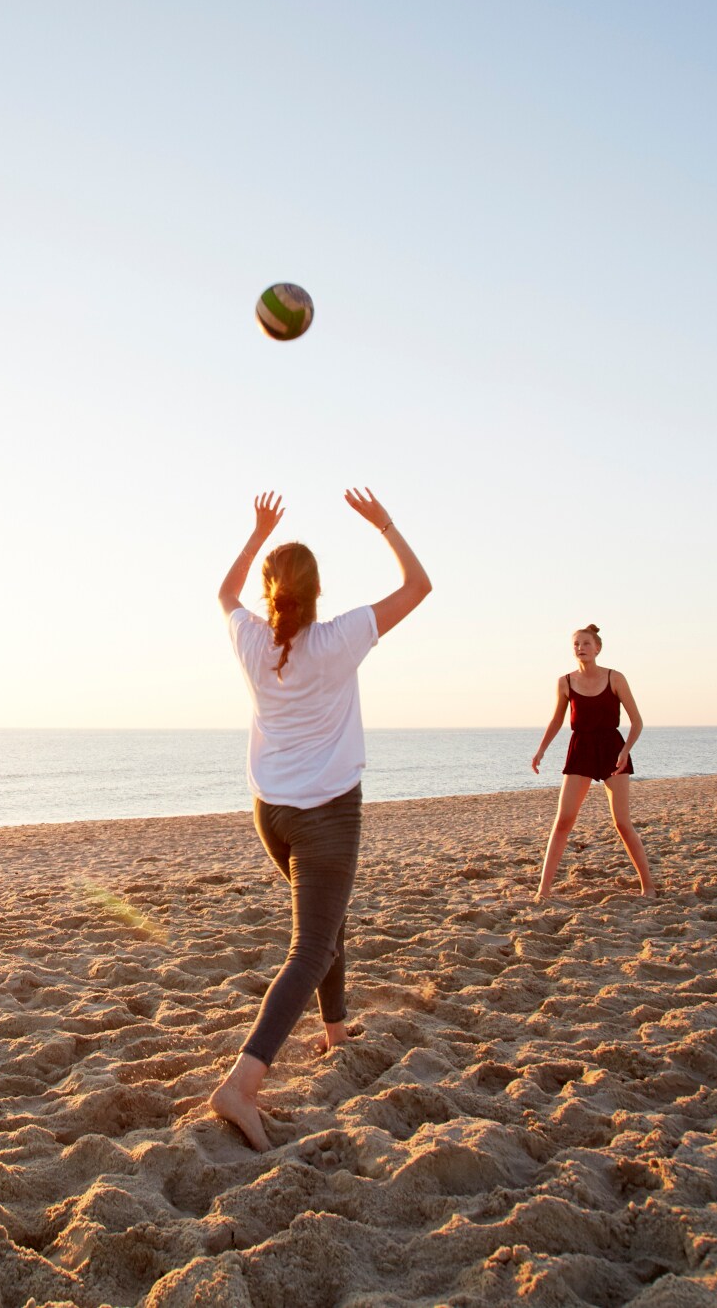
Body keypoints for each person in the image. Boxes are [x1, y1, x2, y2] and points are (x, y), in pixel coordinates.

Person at [207, 489, 433, 1150]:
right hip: (327, 814)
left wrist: (256, 534)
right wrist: (386, 522)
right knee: (309, 948)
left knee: (327, 921)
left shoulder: (250, 636)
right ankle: (240, 1085)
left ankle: (335, 1027)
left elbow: (223, 591)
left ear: (271, 591)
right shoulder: (337, 639)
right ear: (317, 592)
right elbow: (419, 585)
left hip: (270, 811)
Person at [529, 624, 655, 900]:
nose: (580, 648)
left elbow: (637, 722)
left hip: (612, 749)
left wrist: (625, 751)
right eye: (576, 644)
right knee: (563, 821)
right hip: (581, 749)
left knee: (622, 822)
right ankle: (543, 890)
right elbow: (556, 720)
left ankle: (648, 886)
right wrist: (541, 751)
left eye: (586, 644)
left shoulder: (615, 678)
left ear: (597, 648)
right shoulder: (565, 682)